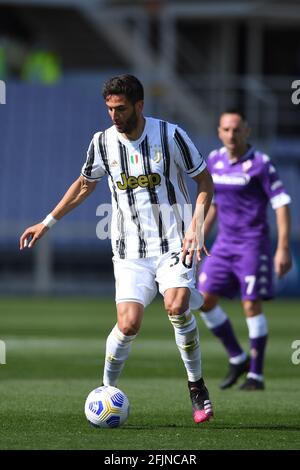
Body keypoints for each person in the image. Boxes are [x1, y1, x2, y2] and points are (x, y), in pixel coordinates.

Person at [20, 74, 214, 424]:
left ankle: (196, 386)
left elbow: (204, 180)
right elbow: (84, 184)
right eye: (109, 108)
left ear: (139, 105)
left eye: (121, 108)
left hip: (174, 242)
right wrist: (46, 221)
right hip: (130, 250)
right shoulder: (102, 142)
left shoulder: (171, 136)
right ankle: (106, 390)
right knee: (128, 325)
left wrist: (196, 227)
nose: (114, 115)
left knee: (177, 303)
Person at [197, 109, 292, 391]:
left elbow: (282, 203)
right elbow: (212, 205)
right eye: (226, 129)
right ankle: (237, 356)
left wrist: (283, 248)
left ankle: (256, 375)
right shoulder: (214, 161)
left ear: (246, 131)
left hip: (253, 244)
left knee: (250, 304)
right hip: (224, 244)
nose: (231, 134)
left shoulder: (261, 164)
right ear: (219, 132)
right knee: (202, 300)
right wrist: (199, 236)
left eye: (236, 129)